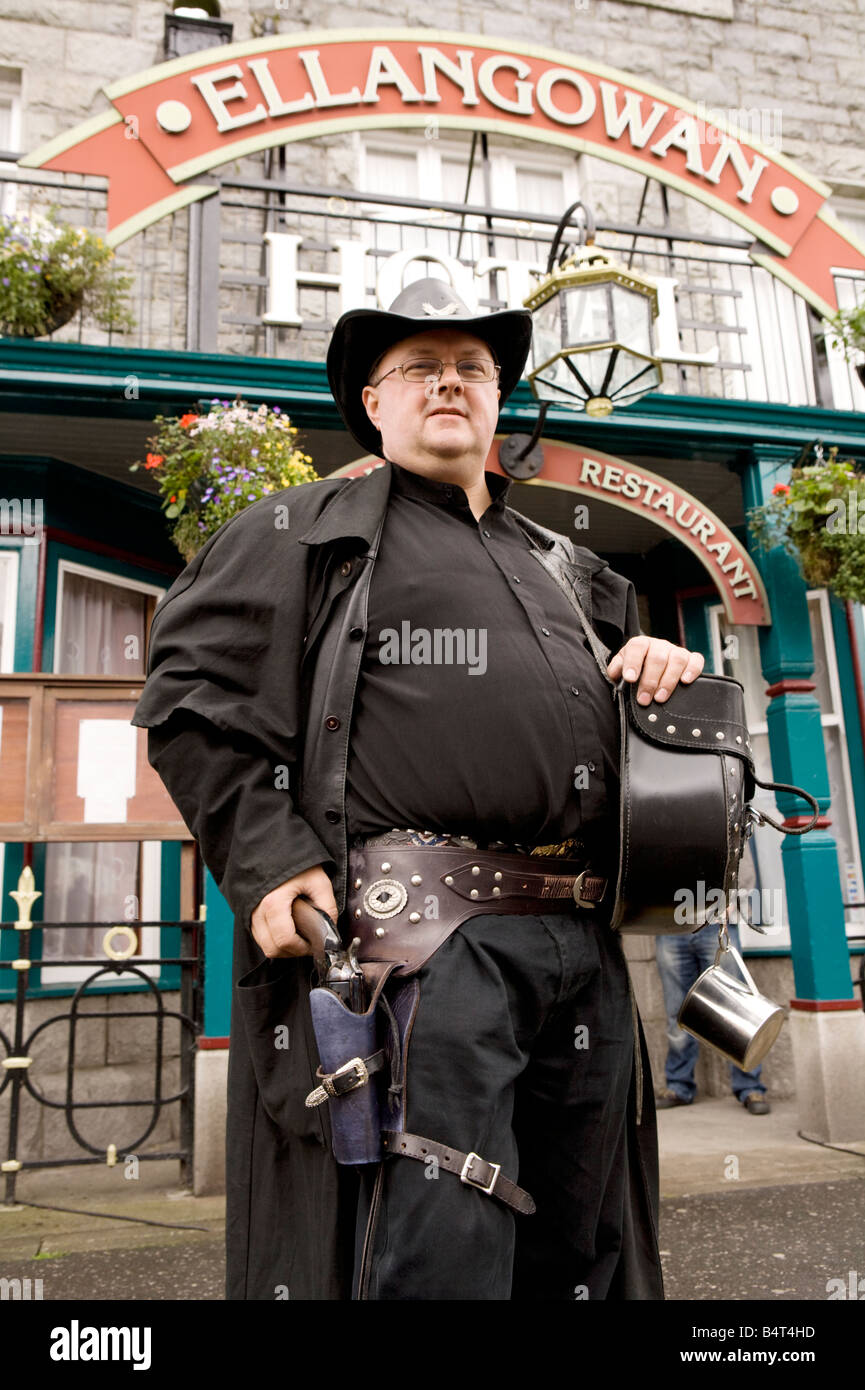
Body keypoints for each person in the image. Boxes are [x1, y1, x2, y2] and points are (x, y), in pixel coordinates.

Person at [131, 276, 706, 1300]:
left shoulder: (569, 568)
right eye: (419, 368)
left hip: (582, 944)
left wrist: (656, 657)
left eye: (472, 368)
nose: (449, 383)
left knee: (585, 1248)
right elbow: (190, 703)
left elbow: (629, 716)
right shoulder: (298, 531)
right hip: (425, 946)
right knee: (439, 1242)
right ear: (372, 401)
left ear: (496, 398)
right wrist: (265, 859)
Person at [654, 913, 771, 1114]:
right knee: (677, 1012)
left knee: (736, 1010)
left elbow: (745, 879)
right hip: (671, 926)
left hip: (718, 924)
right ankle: (679, 1085)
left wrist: (733, 903)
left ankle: (749, 1087)